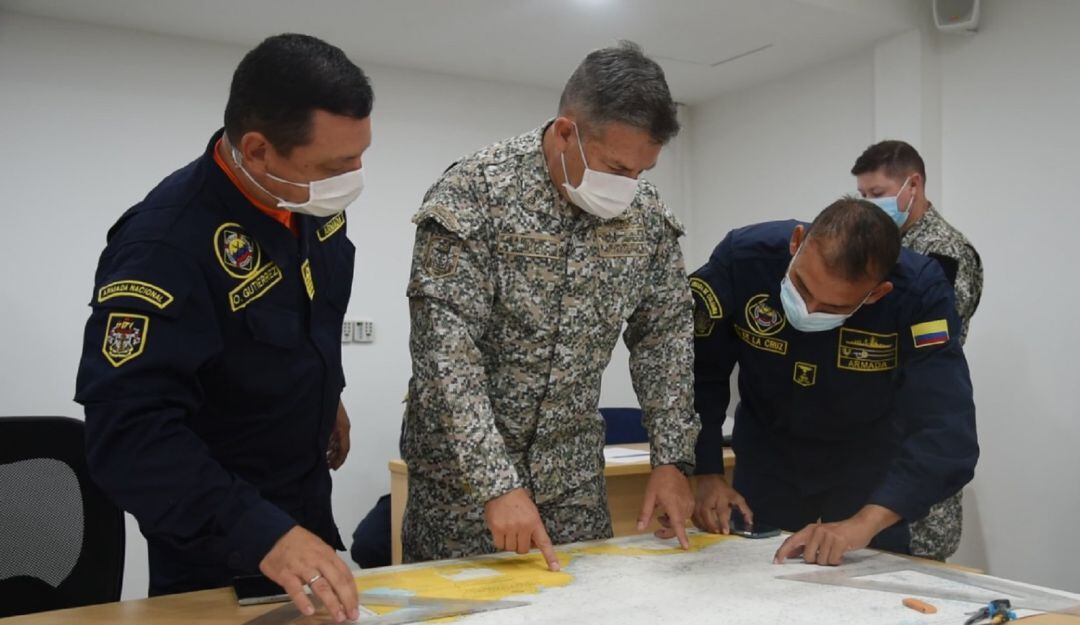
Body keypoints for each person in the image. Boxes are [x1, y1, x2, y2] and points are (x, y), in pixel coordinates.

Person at [74, 34, 371, 622]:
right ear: (258, 150)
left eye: (361, 155)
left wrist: (325, 391)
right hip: (219, 543)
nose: (353, 176)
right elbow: (129, 434)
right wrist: (264, 534)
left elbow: (307, 311)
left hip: (304, 499)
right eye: (337, 164)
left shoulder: (305, 200)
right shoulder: (164, 245)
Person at [401, 41, 699, 568]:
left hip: (573, 480)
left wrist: (672, 458)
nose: (628, 186)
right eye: (615, 166)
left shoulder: (645, 217)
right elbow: (445, 353)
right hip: (464, 486)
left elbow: (665, 335)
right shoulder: (475, 194)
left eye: (641, 172)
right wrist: (495, 483)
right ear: (566, 132)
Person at [687, 198, 978, 566]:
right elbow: (699, 371)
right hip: (768, 456)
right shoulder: (744, 260)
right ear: (796, 243)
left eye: (834, 308)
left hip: (867, 466)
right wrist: (707, 471)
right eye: (802, 288)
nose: (808, 310)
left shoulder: (918, 293)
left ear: (876, 293)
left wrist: (864, 523)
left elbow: (946, 431)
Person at [853, 140, 983, 560]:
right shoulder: (881, 248)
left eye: (878, 195)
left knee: (910, 573)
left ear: (914, 184)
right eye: (863, 197)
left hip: (913, 437)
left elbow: (931, 347)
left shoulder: (943, 254)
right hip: (869, 443)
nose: (871, 206)